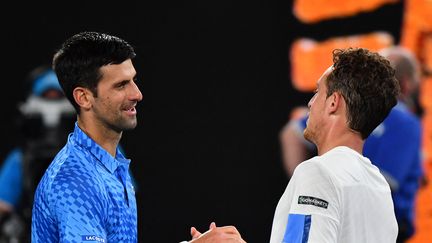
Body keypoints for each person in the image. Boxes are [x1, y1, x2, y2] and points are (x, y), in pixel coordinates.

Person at [31, 31, 245, 243]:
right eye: (121, 85)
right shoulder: (75, 182)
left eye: (133, 80)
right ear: (84, 97)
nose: (137, 94)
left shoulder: (108, 165)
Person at [279, 46, 423, 242]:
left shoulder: (317, 174)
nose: (310, 103)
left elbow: (290, 134)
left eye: (317, 92)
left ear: (333, 102)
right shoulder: (378, 187)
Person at [0, 66, 75, 242]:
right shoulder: (20, 160)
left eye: (58, 98)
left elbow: (122, 204)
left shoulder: (96, 154)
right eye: (46, 97)